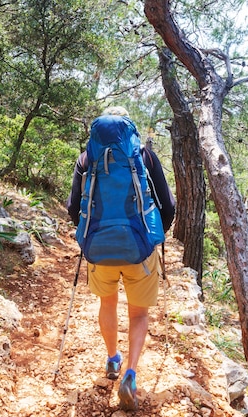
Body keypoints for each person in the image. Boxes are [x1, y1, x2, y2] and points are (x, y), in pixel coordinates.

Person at [66, 106, 175, 410]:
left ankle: (112, 358)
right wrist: (155, 235)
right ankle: (130, 373)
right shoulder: (144, 155)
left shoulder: (87, 157)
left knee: (107, 303)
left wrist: (89, 233)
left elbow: (74, 208)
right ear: (129, 127)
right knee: (139, 314)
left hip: (99, 250)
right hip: (139, 248)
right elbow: (168, 206)